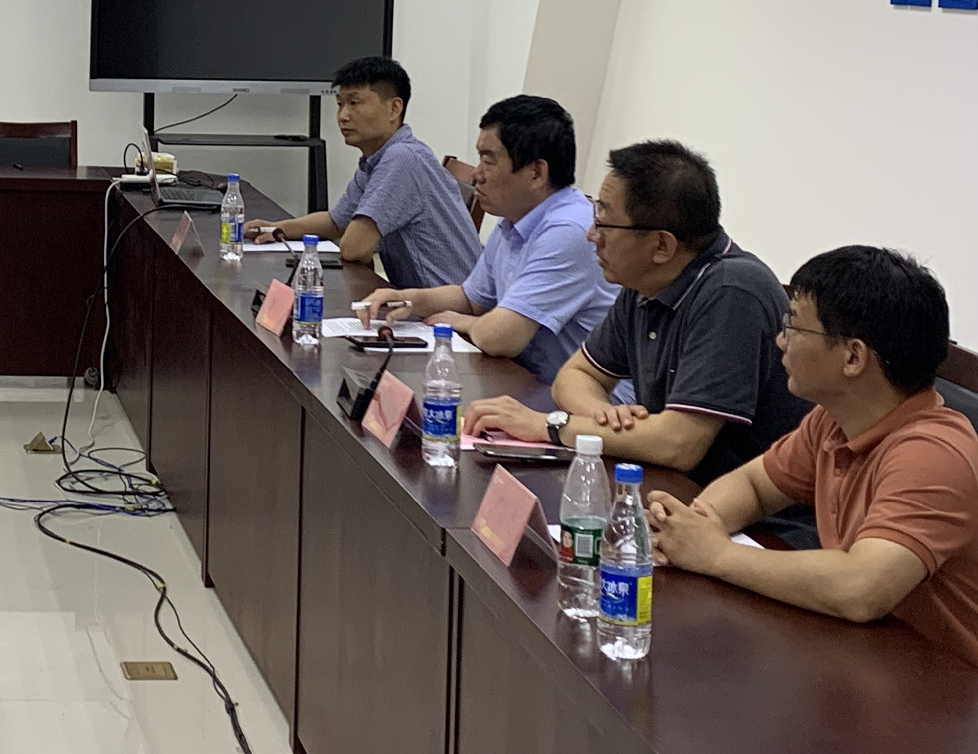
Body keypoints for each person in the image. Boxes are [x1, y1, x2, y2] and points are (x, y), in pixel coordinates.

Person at [649, 247, 978, 704]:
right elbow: (755, 485)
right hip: (879, 654)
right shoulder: (834, 419)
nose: (780, 341)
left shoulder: (933, 455)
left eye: (794, 326)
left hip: (972, 700)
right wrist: (699, 525)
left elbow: (862, 588)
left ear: (853, 357)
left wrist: (715, 554)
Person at [462, 141, 814, 541]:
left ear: (661, 245)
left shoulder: (732, 292)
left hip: (762, 531)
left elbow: (680, 443)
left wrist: (550, 425)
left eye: (605, 223)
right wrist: (603, 417)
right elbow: (575, 375)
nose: (591, 235)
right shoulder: (645, 279)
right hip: (676, 496)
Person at [354, 95, 615, 381]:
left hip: (581, 399)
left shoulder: (569, 232)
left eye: (488, 161)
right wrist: (407, 300)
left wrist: (461, 322)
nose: (477, 174)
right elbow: (471, 298)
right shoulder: (515, 218)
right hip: (525, 381)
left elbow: (500, 338)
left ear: (537, 173)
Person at [248, 55, 480, 288]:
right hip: (419, 300)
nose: (343, 116)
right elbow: (336, 222)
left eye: (354, 103)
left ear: (394, 108)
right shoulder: (377, 158)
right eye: (340, 104)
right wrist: (277, 228)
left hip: (449, 306)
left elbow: (354, 248)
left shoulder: (403, 158)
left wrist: (360, 245)